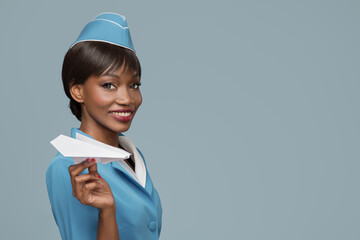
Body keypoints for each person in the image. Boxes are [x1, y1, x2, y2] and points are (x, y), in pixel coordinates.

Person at [46, 12, 162, 240]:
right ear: (77, 90)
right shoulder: (68, 168)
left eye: (134, 85)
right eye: (109, 85)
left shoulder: (133, 156)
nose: (127, 98)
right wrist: (107, 213)